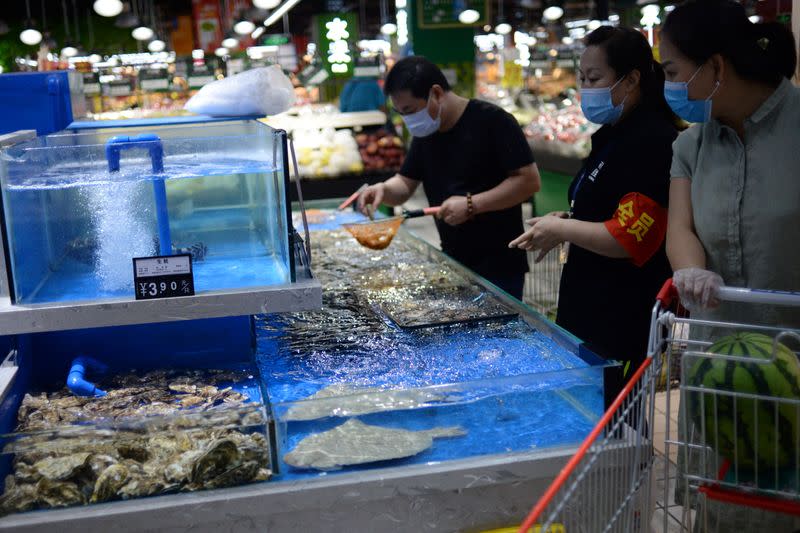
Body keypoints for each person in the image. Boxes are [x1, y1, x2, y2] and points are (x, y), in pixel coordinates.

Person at [660, 1, 800, 529]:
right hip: (719, 370)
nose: (668, 86)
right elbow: (681, 229)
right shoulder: (690, 144)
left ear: (715, 68)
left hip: (794, 366)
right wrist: (692, 269)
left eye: (673, 72)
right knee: (723, 511)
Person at [509, 27, 678, 408]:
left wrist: (563, 227)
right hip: (592, 305)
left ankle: (632, 465)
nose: (586, 87)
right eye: (582, 78)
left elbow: (626, 238)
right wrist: (569, 219)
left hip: (623, 313)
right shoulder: (614, 134)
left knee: (618, 415)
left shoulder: (651, 141)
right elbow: (606, 209)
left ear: (632, 79)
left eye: (594, 78)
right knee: (596, 410)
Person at [357, 56, 540, 299]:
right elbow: (405, 182)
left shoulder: (494, 121)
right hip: (452, 259)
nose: (408, 120)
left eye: (410, 110)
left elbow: (528, 181)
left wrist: (472, 204)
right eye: (400, 113)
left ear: (436, 93)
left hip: (499, 264)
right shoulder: (426, 131)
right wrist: (382, 190)